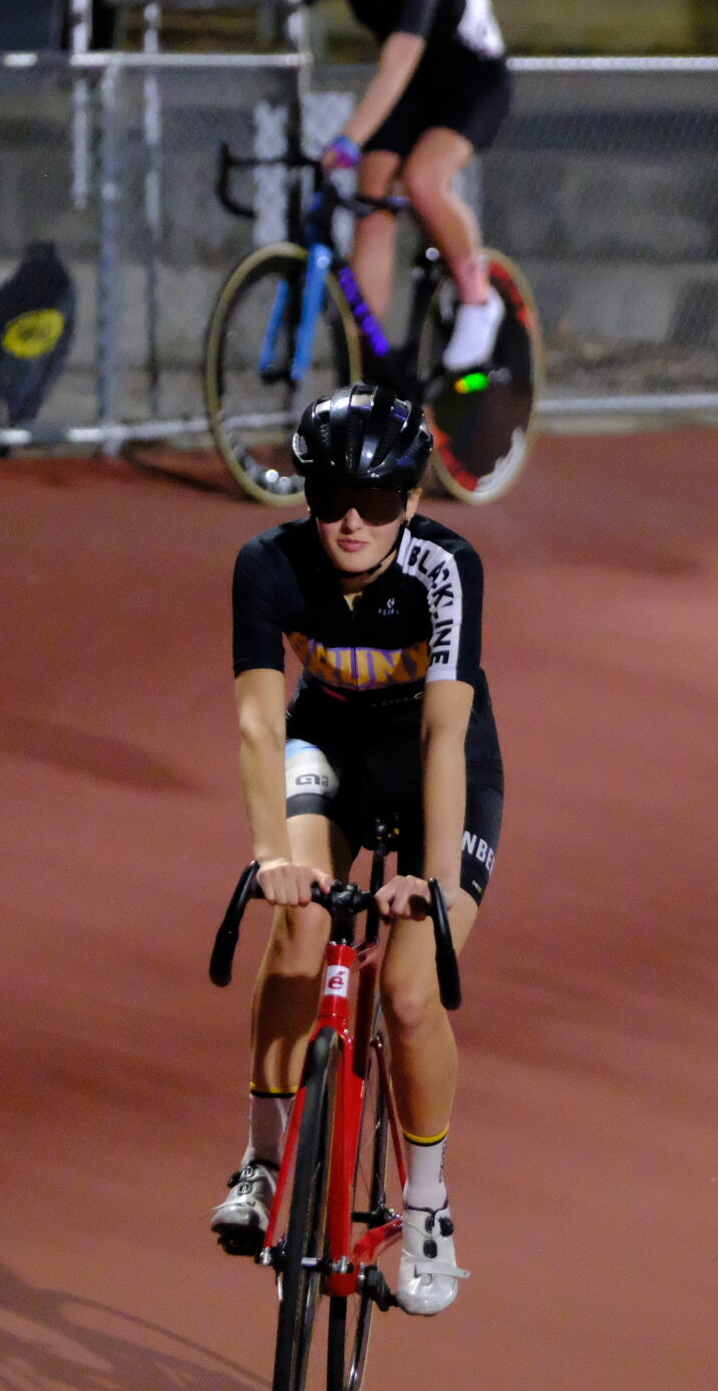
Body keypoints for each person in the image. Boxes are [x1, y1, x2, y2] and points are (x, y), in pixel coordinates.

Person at [213, 383, 503, 1317]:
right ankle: (263, 1159)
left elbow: (445, 736)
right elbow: (261, 724)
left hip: (429, 763)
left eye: (376, 500)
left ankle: (428, 1206)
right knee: (300, 922)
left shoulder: (446, 567)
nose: (351, 519)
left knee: (411, 992)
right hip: (327, 744)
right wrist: (271, 855)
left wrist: (435, 881)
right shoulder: (267, 564)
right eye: (332, 494)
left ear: (411, 501)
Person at [161, 0, 512, 374]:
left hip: (470, 84)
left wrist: (349, 138)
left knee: (422, 179)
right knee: (371, 203)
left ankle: (479, 299)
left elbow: (397, 64)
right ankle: (369, 357)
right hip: (416, 87)